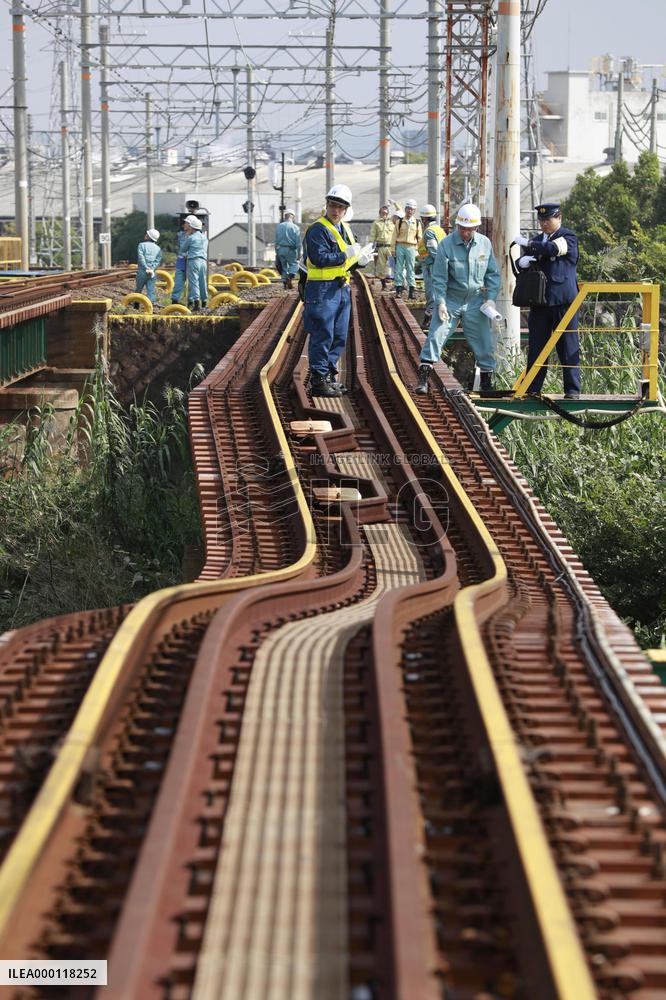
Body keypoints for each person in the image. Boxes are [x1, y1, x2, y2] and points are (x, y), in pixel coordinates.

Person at [416, 203, 501, 395]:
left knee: (484, 342)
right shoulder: (446, 244)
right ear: (457, 226)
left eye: (469, 230)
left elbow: (492, 274)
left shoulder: (484, 244)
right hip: (451, 300)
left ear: (476, 228)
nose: (465, 233)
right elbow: (439, 277)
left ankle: (487, 384)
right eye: (462, 229)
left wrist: (491, 299)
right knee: (436, 335)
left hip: (475, 301)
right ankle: (423, 379)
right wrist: (441, 303)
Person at [303, 184, 374, 397]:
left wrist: (359, 261)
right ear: (327, 205)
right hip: (322, 291)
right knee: (322, 333)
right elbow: (320, 258)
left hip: (340, 288)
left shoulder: (345, 229)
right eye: (333, 206)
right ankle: (318, 380)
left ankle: (329, 375)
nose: (336, 211)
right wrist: (346, 256)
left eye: (340, 207)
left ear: (346, 210)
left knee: (339, 334)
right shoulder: (318, 229)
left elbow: (348, 261)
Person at [514, 203, 581, 398]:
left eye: (548, 219)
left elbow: (552, 249)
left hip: (563, 301)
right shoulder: (535, 241)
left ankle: (572, 390)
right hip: (540, 302)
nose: (544, 224)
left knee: (567, 346)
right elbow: (523, 262)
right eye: (541, 220)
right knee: (537, 346)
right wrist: (521, 262)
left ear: (559, 217)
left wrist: (528, 245)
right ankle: (533, 388)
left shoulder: (568, 237)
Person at [417, 204, 445, 328]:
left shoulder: (429, 232)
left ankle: (429, 318)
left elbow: (433, 251)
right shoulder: (439, 229)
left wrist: (438, 265)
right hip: (437, 264)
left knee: (431, 292)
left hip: (432, 265)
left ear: (425, 219)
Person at [391, 198, 422, 299]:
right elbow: (394, 236)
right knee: (399, 268)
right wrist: (393, 249)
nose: (410, 211)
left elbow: (419, 238)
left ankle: (411, 292)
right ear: (405, 209)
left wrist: (417, 249)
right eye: (408, 208)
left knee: (410, 269)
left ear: (414, 211)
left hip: (411, 247)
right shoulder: (399, 222)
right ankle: (399, 290)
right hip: (400, 246)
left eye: (412, 209)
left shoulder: (417, 223)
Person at [182, 214, 209, 312]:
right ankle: (204, 302)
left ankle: (196, 304)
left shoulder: (191, 238)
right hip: (203, 261)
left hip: (193, 261)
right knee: (203, 281)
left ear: (192, 227)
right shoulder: (204, 238)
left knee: (194, 282)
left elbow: (183, 249)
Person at [369, 203, 394, 290]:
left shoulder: (392, 222)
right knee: (382, 266)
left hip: (391, 247)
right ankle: (384, 285)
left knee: (393, 265)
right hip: (381, 247)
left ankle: (396, 285)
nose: (384, 214)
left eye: (386, 213)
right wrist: (370, 246)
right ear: (380, 213)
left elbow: (400, 212)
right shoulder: (376, 223)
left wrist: (394, 204)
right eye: (383, 213)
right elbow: (372, 235)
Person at [275, 209, 300, 290]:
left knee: (283, 267)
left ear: (285, 216)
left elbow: (276, 240)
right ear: (293, 217)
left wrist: (276, 251)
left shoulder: (279, 226)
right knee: (294, 265)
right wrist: (299, 253)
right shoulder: (295, 227)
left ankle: (285, 284)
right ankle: (290, 276)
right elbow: (298, 242)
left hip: (280, 249)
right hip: (290, 249)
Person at [135, 229, 161, 304]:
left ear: (149, 237)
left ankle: (136, 307)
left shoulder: (141, 245)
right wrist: (152, 269)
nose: (145, 235)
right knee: (151, 291)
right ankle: (152, 307)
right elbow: (157, 260)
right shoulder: (158, 248)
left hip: (142, 272)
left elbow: (141, 257)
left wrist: (146, 267)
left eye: (147, 234)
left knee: (138, 290)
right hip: (152, 273)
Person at [171, 218, 188, 304]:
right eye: (183, 224)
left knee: (193, 282)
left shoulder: (197, 235)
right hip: (181, 259)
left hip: (192, 260)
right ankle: (175, 300)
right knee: (179, 280)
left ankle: (192, 301)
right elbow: (176, 243)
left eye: (185, 224)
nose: (183, 225)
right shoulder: (180, 234)